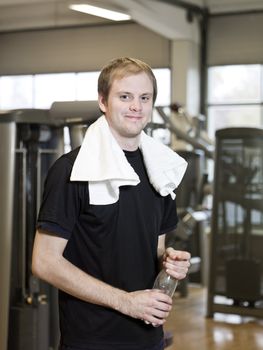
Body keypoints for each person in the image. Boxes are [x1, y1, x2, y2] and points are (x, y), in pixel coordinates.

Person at [32, 57, 191, 350]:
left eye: (145, 98)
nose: (136, 106)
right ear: (103, 101)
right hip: (92, 340)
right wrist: (126, 302)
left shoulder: (161, 170)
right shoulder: (71, 170)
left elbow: (154, 249)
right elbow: (44, 262)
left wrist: (170, 264)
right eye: (125, 96)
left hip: (149, 337)